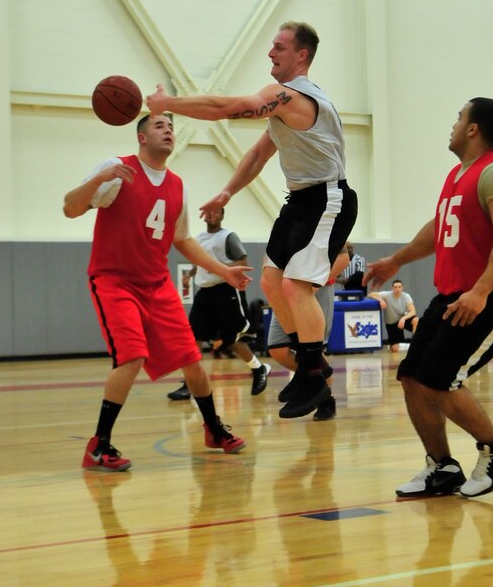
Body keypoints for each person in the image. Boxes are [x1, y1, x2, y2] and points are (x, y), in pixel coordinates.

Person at [147, 21, 357, 419]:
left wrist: (169, 104)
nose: (270, 53)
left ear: (302, 56)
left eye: (278, 47)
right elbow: (259, 155)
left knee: (298, 287)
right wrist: (227, 192)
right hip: (300, 200)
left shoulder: (291, 96)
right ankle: (310, 363)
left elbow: (227, 108)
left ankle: (313, 370)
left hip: (328, 197)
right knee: (271, 282)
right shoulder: (283, 110)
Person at [63, 114, 251, 472]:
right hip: (114, 280)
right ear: (141, 136)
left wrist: (224, 270)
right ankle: (98, 445)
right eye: (160, 125)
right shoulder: (118, 168)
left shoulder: (177, 185)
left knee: (192, 361)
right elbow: (70, 208)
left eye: (171, 127)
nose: (168, 130)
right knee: (131, 356)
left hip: (157, 283)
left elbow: (183, 240)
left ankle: (213, 429)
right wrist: (98, 180)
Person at [364, 97, 493, 498]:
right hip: (451, 296)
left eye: (459, 118)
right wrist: (396, 260)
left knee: (440, 380)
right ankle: (441, 467)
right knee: (413, 379)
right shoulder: (459, 175)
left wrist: (482, 290)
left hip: (490, 298)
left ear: (473, 129)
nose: (453, 124)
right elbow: (439, 228)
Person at [166, 206, 271, 400]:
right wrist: (189, 275)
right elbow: (200, 262)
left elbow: (242, 261)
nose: (212, 215)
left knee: (231, 340)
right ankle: (190, 383)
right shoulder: (199, 238)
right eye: (209, 212)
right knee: (192, 337)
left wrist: (218, 268)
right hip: (204, 292)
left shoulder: (228, 236)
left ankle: (259, 369)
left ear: (222, 215)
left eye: (216, 212)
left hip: (226, 290)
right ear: (203, 215)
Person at [268, 246, 349, 421]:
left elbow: (343, 258)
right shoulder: (285, 223)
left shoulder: (324, 221)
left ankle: (326, 400)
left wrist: (316, 283)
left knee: (313, 349)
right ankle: (309, 378)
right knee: (278, 350)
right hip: (286, 289)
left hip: (314, 288)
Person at [368, 279, 419, 352]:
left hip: (402, 319)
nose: (397, 289)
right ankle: (397, 345)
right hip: (391, 323)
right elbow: (371, 294)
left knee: (416, 320)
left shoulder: (406, 296)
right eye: (395, 287)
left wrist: (403, 318)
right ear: (392, 288)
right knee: (394, 349)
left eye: (399, 287)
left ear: (402, 288)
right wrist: (381, 300)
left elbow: (413, 311)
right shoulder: (387, 295)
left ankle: (415, 343)